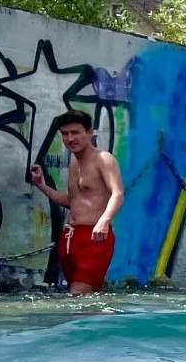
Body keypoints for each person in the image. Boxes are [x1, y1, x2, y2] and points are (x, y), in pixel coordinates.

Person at [27, 109, 123, 295]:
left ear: (89, 132)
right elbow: (73, 202)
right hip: (70, 238)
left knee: (78, 294)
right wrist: (41, 185)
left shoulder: (103, 159)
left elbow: (117, 193)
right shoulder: (74, 164)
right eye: (65, 134)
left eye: (75, 132)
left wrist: (104, 220)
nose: (70, 138)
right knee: (82, 297)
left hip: (95, 238)